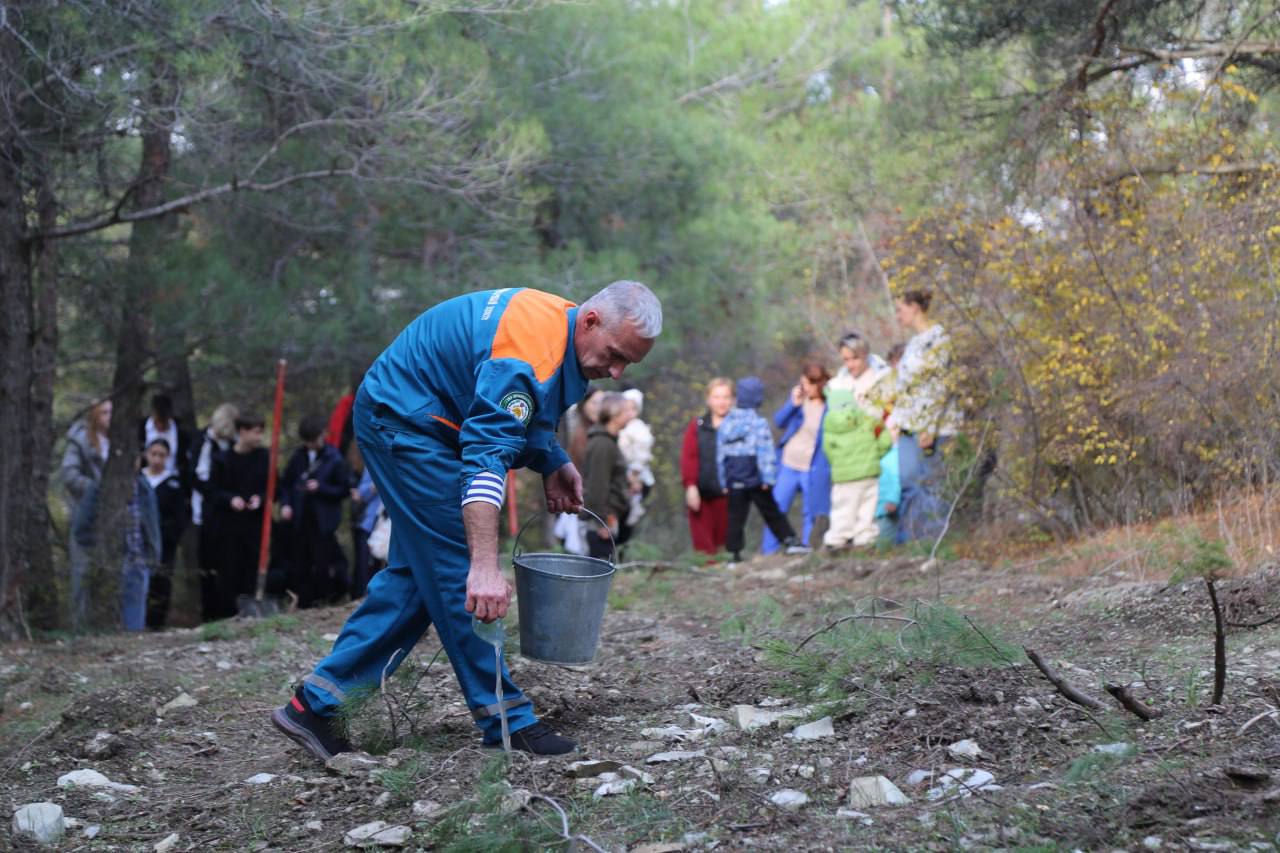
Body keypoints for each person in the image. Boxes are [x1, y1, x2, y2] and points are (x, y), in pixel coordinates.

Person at [271, 281, 661, 761]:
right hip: (405, 421)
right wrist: (482, 566)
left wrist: (552, 459)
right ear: (592, 321)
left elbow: (530, 413)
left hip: (432, 421)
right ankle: (506, 720)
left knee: (418, 576)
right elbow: (485, 459)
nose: (616, 372)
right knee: (458, 568)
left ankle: (317, 704)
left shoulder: (564, 335)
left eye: (628, 364)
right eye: (615, 355)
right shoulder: (527, 353)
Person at [887, 290, 961, 542]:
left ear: (915, 307)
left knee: (932, 485)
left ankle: (934, 541)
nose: (898, 316)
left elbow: (941, 386)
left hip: (935, 426)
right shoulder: (914, 343)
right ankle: (910, 541)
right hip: (908, 425)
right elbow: (906, 386)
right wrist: (897, 420)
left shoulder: (938, 339)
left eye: (901, 309)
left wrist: (930, 427)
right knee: (908, 482)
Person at [717, 376, 808, 564]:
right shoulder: (758, 423)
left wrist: (723, 480)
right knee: (771, 511)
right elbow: (765, 452)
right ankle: (789, 540)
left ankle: (733, 554)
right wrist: (769, 478)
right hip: (755, 478)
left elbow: (720, 454)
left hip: (734, 478)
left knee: (735, 517)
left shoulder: (726, 422)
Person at [280, 414, 352, 608]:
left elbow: (343, 489)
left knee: (323, 561)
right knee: (300, 561)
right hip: (300, 517)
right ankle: (303, 600)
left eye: (315, 439)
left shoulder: (334, 458)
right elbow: (286, 483)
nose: (312, 444)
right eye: (308, 441)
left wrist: (321, 488)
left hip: (323, 521)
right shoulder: (298, 457)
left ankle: (326, 598)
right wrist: (286, 504)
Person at [763, 361, 832, 554]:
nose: (804, 388)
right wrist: (792, 403)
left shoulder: (829, 407)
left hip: (812, 467)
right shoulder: (799, 403)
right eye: (802, 383)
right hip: (788, 463)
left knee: (810, 511)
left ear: (818, 384)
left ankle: (807, 549)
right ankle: (769, 551)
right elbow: (779, 421)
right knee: (777, 507)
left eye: (807, 384)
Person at [207, 412, 270, 618]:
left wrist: (260, 499)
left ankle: (250, 610)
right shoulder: (222, 459)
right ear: (242, 431)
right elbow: (212, 491)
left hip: (254, 526)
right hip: (229, 527)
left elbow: (273, 487)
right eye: (256, 432)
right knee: (228, 570)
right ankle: (228, 613)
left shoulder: (263, 457)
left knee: (251, 568)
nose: (259, 437)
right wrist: (230, 499)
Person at [60, 399, 111, 630]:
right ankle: (80, 628)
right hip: (84, 516)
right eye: (105, 412)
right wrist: (96, 489)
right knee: (81, 573)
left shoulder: (121, 442)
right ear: (95, 416)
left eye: (112, 412)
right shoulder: (79, 440)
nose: (110, 417)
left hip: (113, 517)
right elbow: (69, 475)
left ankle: (106, 627)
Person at [822, 383, 891, 550]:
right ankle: (865, 539)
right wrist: (875, 455)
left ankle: (837, 539)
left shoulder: (829, 425)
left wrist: (839, 464)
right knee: (867, 508)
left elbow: (828, 451)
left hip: (844, 477)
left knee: (843, 509)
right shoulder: (867, 419)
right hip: (869, 473)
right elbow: (886, 440)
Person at [191, 403, 239, 622]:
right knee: (207, 564)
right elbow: (196, 477)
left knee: (228, 563)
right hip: (205, 512)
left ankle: (228, 609)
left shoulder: (233, 444)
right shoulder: (203, 442)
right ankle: (208, 613)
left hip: (228, 513)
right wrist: (214, 493)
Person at [680, 378, 733, 555]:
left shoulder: (739, 425)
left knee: (725, 544)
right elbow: (689, 458)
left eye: (726, 397)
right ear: (708, 399)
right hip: (702, 493)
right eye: (717, 397)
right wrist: (691, 486)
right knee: (704, 548)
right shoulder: (698, 426)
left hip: (729, 494)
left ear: (732, 400)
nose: (721, 402)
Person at [141, 439, 188, 628]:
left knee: (161, 581)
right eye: (153, 454)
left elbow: (180, 517)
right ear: (146, 455)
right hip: (139, 542)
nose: (157, 459)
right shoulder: (139, 479)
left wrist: (169, 536)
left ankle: (156, 623)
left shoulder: (173, 483)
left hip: (164, 543)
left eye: (162, 455)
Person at [582, 392, 632, 559]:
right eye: (626, 411)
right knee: (600, 566)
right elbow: (597, 486)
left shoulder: (609, 442)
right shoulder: (602, 445)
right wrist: (601, 522)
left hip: (609, 516)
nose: (630, 415)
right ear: (613, 414)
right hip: (602, 522)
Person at [875, 344, 905, 545]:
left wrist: (892, 499)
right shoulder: (886, 395)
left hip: (890, 503)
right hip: (887, 451)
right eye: (893, 365)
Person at [617, 389, 654, 531]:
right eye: (626, 409)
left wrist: (635, 475)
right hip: (623, 471)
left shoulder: (638, 427)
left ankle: (633, 512)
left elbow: (642, 453)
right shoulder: (621, 427)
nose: (629, 413)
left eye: (633, 409)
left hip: (636, 472)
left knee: (632, 500)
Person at [137, 393, 191, 482]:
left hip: (173, 480)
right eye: (158, 421)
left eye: (164, 421)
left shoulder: (181, 433)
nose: (160, 425)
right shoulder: (141, 429)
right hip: (145, 480)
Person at [350, 467, 385, 599]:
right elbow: (360, 494)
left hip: (393, 526)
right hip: (370, 524)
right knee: (364, 565)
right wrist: (374, 486)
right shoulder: (374, 464)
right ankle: (362, 598)